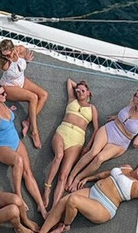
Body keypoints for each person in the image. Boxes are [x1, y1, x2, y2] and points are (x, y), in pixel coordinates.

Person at [0, 85, 49, 218]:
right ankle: (18, 196)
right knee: (18, 161)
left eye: (5, 93)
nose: (6, 95)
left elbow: (7, 117)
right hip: (2, 146)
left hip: (15, 141)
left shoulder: (4, 105)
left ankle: (41, 207)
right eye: (2, 94)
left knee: (28, 173)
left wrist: (10, 110)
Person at [65, 89, 138, 189]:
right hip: (110, 129)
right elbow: (125, 115)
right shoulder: (131, 103)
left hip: (120, 142)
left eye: (135, 95)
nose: (133, 95)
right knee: (93, 152)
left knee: (99, 158)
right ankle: (71, 175)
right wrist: (117, 117)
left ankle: (78, 178)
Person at [38, 162, 138, 233]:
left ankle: (65, 225)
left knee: (72, 200)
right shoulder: (126, 167)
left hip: (104, 206)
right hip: (92, 191)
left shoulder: (137, 187)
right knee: (63, 201)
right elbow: (106, 174)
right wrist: (88, 178)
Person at [0, 39, 49, 148]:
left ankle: (27, 121)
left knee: (44, 95)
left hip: (21, 80)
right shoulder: (3, 62)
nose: (6, 57)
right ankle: (34, 132)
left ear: (13, 49)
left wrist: (26, 60)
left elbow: (20, 65)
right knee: (33, 97)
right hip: (9, 86)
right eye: (3, 55)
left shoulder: (21, 50)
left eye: (8, 55)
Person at [42, 79, 98, 208]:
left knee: (63, 175)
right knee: (59, 156)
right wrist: (78, 87)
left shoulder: (92, 108)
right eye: (78, 91)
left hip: (77, 140)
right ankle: (47, 189)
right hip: (63, 132)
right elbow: (69, 81)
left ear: (89, 93)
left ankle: (55, 207)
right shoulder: (72, 99)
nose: (79, 92)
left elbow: (95, 128)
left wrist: (88, 146)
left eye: (83, 91)